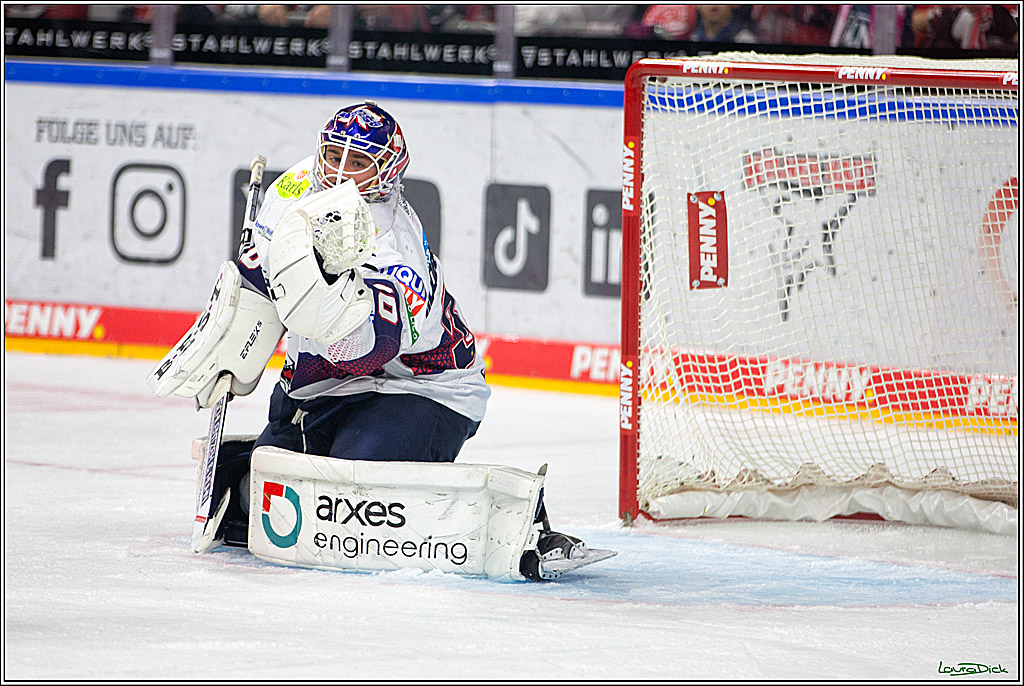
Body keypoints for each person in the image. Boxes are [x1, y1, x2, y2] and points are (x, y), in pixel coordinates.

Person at [204, 102, 589, 580]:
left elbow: (371, 351)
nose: (340, 173)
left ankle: (519, 518)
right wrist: (232, 340)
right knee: (264, 486)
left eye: (359, 162)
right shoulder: (294, 188)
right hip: (329, 388)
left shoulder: (394, 248)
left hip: (424, 388)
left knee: (350, 496)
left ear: (387, 170)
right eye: (332, 155)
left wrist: (321, 308)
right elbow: (260, 279)